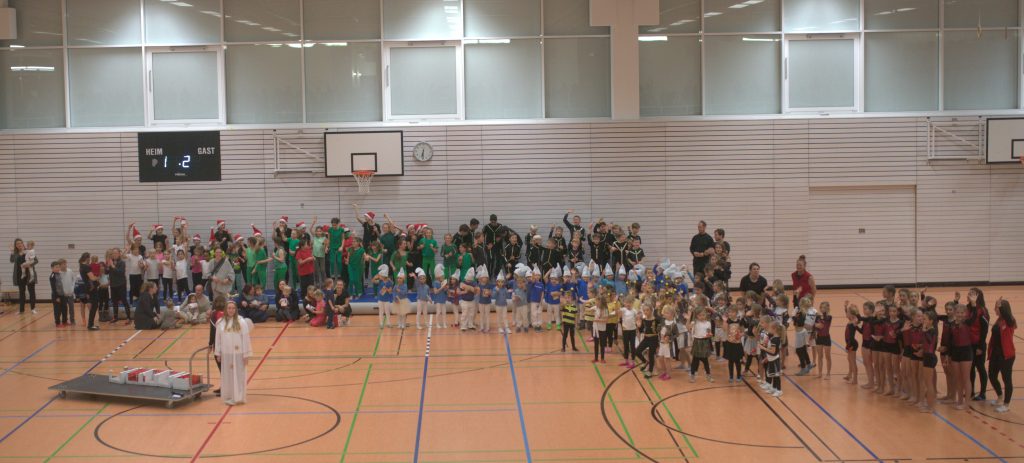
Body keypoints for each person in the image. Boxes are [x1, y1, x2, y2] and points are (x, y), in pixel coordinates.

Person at [215, 301, 253, 406]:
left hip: (238, 353)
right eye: (229, 308)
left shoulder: (241, 321)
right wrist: (218, 353)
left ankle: (238, 397)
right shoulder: (220, 322)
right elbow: (218, 338)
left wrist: (246, 354)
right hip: (226, 353)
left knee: (238, 375)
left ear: (236, 309)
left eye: (233, 308)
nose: (231, 310)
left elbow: (245, 338)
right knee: (228, 375)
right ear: (226, 309)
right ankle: (229, 396)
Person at [987, 298, 1015, 413]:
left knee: (1006, 379)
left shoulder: (1009, 321)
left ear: (1003, 309)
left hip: (1006, 355)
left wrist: (1001, 306)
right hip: (996, 354)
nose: (994, 309)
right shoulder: (999, 320)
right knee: (992, 375)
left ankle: (1006, 404)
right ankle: (999, 396)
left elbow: (1008, 318)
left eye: (996, 307)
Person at [9, 239, 37, 314]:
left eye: (20, 243)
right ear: (16, 245)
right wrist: (11, 252)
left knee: (32, 292)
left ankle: (33, 309)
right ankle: (21, 310)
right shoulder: (15, 253)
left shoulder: (28, 251)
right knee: (21, 293)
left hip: (29, 275)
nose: (19, 244)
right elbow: (11, 260)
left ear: (22, 244)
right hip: (20, 275)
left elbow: (36, 260)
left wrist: (30, 264)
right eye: (17, 244)